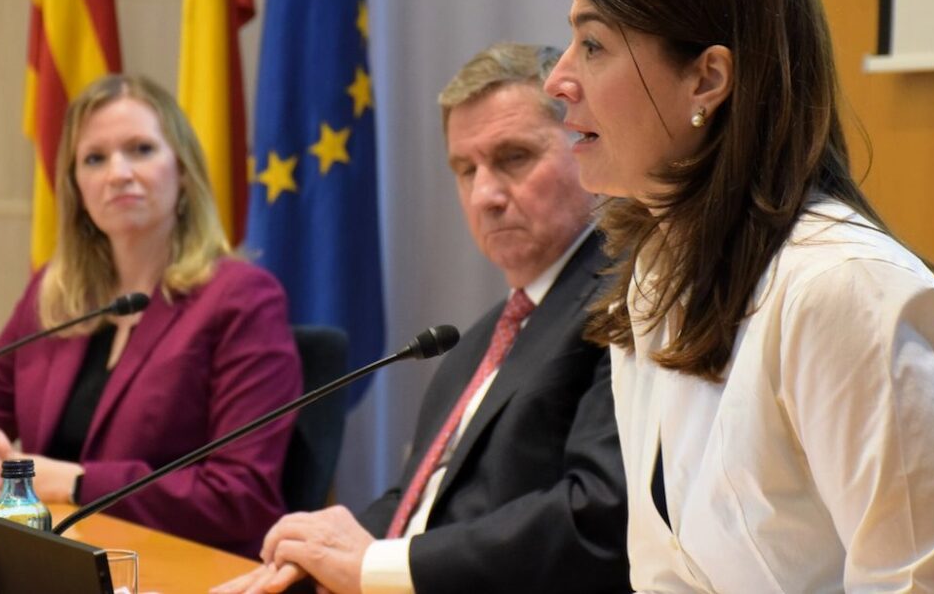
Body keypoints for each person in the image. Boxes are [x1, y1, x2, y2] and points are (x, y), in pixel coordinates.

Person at [543, 0, 934, 592]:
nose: (557, 81)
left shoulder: (843, 290)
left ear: (707, 78)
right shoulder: (655, 272)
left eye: (594, 46)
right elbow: (665, 572)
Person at [212, 43, 631, 594]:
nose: (485, 195)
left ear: (582, 146)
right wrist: (313, 555)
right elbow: (422, 499)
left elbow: (598, 516)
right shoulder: (478, 340)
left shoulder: (622, 297)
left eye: (513, 158)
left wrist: (373, 568)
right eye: (465, 169)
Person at [0, 74, 302, 558]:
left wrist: (73, 482)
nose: (118, 173)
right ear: (76, 187)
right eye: (94, 158)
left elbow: (241, 494)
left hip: (188, 572)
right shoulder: (55, 297)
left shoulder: (241, 298)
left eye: (140, 149)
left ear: (182, 171)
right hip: (58, 565)